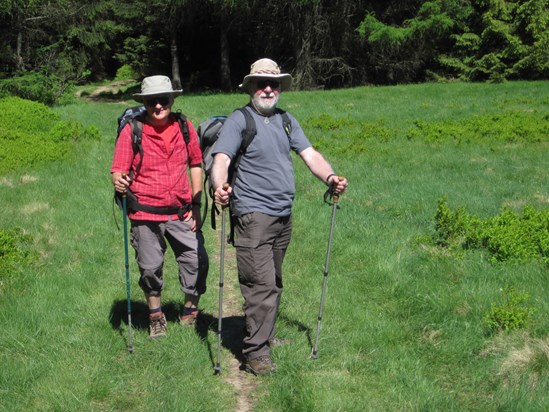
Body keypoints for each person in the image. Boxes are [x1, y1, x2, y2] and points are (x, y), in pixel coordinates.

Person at [210, 58, 348, 375]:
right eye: (262, 83)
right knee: (259, 285)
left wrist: (331, 178)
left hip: (283, 216)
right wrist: (220, 186)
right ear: (251, 87)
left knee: (274, 281)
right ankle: (255, 354)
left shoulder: (286, 120)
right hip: (252, 216)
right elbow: (222, 158)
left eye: (274, 84)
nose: (268, 89)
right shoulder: (239, 120)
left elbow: (310, 154)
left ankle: (266, 335)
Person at [111, 75, 208, 339]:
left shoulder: (184, 126)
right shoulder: (133, 129)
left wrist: (197, 205)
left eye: (162, 100)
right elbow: (118, 170)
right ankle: (156, 317)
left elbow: (196, 163)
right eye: (151, 101)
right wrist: (120, 182)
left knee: (196, 260)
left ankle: (189, 312)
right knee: (150, 268)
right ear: (144, 102)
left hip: (181, 211)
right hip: (144, 213)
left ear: (172, 99)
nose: (157, 106)